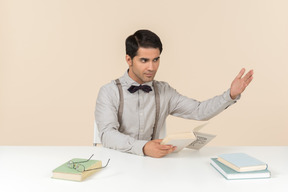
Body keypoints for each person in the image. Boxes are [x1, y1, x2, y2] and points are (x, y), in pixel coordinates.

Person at [95, 29, 253, 158]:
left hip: (153, 166)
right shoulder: (109, 92)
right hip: (116, 162)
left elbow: (199, 111)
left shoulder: (164, 91)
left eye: (156, 60)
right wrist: (143, 147)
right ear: (129, 60)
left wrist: (230, 95)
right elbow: (107, 135)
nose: (152, 67)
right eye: (144, 60)